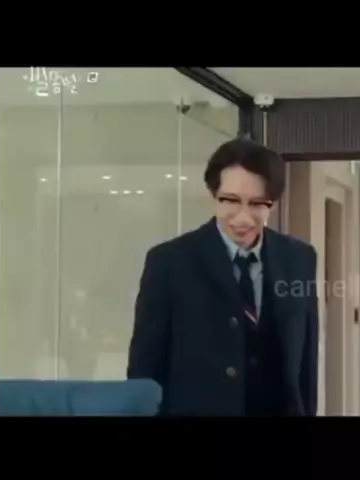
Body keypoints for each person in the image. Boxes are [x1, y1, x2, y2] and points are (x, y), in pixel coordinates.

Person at [127, 138, 319, 416]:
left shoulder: (299, 259)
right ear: (213, 195)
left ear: (273, 204)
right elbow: (144, 372)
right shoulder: (169, 262)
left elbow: (306, 364)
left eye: (257, 204)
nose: (243, 218)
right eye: (230, 200)